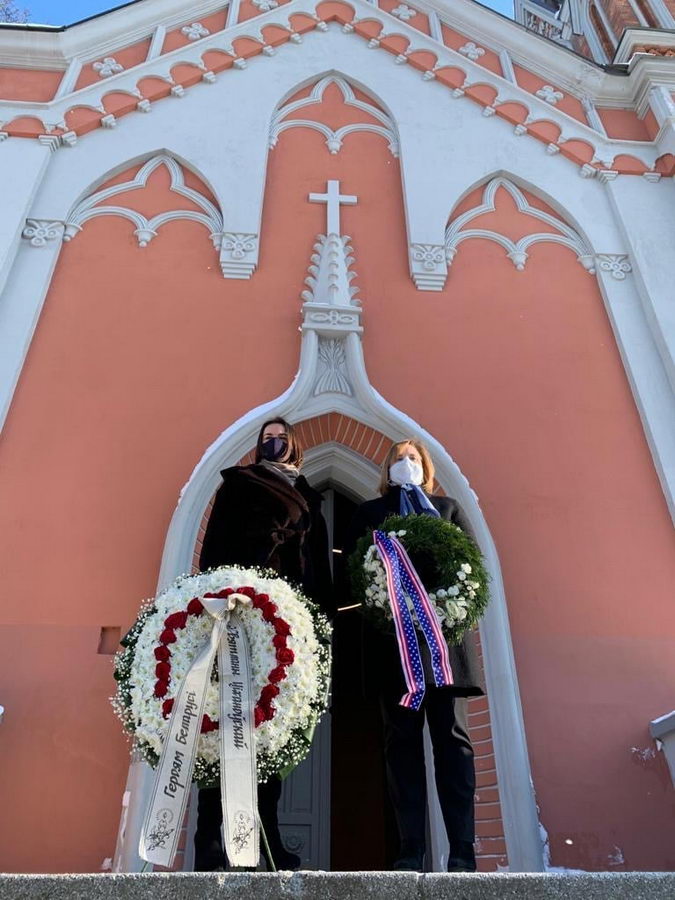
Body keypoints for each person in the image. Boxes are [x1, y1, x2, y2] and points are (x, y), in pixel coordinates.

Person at [194, 417, 333, 872]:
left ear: (295, 445)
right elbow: (214, 546)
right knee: (225, 719)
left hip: (286, 624)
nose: (274, 443)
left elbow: (318, 570)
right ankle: (210, 840)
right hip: (240, 614)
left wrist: (320, 624)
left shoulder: (310, 496)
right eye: (266, 439)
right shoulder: (239, 484)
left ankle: (265, 838)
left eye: (281, 438)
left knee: (270, 732)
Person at [344, 439, 484, 873]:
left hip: (444, 649)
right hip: (395, 649)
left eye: (413, 459)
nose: (405, 464)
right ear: (386, 470)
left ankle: (462, 849)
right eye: (398, 459)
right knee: (401, 747)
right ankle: (410, 850)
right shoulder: (370, 514)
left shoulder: (447, 510)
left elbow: (471, 567)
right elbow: (354, 573)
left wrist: (443, 605)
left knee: (453, 743)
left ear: (426, 467)